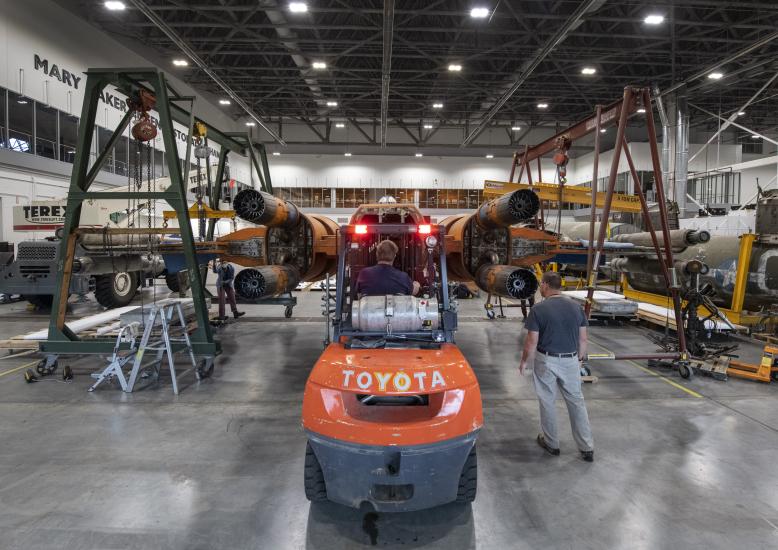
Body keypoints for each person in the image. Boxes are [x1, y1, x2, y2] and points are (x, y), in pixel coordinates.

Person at [519, 271, 594, 462]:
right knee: (576, 401)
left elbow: (531, 341)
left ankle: (552, 444)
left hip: (547, 360)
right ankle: (586, 447)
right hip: (570, 359)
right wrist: (579, 359)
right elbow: (583, 338)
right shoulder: (576, 308)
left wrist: (524, 362)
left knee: (547, 400)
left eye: (540, 285)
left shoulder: (539, 309)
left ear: (544, 285)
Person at [356, 239, 421, 297]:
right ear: (394, 256)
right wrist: (417, 285)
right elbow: (413, 291)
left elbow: (359, 294)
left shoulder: (364, 274)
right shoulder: (403, 277)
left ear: (377, 254)